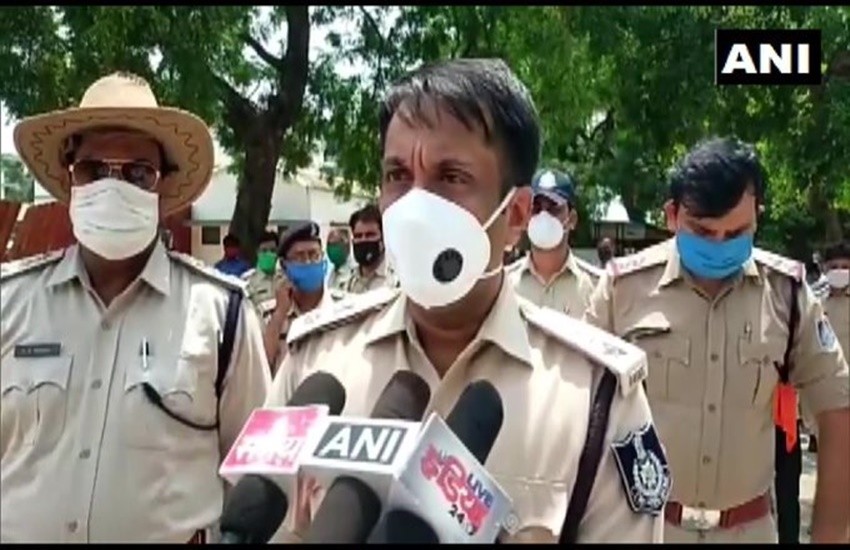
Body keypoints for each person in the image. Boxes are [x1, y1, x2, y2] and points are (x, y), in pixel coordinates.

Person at [266, 58, 665, 543]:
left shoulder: (594, 396)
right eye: (397, 175)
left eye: (451, 177)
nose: (415, 206)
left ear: (516, 214)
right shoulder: (315, 363)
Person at [1, 72, 271, 543]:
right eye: (93, 170)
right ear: (70, 178)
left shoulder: (221, 315)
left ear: (163, 188)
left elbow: (257, 474)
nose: (114, 187)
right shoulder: (10, 303)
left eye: (138, 173)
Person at [583, 137, 850, 544]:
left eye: (736, 233)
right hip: (642, 529)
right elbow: (574, 408)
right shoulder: (622, 290)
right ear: (672, 215)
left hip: (748, 530)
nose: (720, 245)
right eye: (704, 232)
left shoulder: (787, 295)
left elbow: (837, 408)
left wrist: (829, 534)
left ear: (757, 218)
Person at [505, 169, 601, 317]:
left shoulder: (596, 287)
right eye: (536, 209)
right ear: (526, 217)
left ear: (572, 219)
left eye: (553, 209)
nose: (543, 216)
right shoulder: (504, 285)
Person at [263, 221, 344, 374]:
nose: (308, 262)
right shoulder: (269, 315)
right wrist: (279, 315)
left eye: (314, 255)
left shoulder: (344, 308)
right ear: (284, 265)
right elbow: (260, 368)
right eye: (299, 257)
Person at [338, 203, 397, 293]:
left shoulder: (396, 280)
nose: (363, 240)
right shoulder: (345, 280)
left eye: (370, 235)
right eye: (358, 236)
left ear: (383, 238)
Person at [241, 230, 285, 322]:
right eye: (264, 251)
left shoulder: (285, 279)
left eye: (273, 250)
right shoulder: (247, 281)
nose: (268, 254)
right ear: (257, 252)